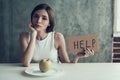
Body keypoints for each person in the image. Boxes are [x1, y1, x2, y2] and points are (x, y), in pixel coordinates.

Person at [20, 3, 94, 67]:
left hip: (55, 75)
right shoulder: (24, 37)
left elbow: (66, 64)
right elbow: (25, 63)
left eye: (44, 18)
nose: (38, 21)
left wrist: (77, 56)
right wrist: (33, 35)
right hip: (33, 75)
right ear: (32, 18)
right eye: (36, 16)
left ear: (49, 23)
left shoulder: (57, 37)